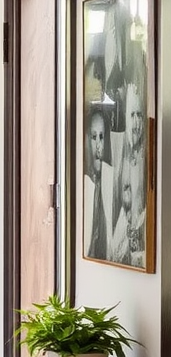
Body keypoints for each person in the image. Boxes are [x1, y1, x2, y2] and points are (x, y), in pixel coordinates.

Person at [113, 81, 146, 266]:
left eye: (139, 115)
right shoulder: (122, 158)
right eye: (132, 115)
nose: (136, 122)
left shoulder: (146, 158)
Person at [83, 108, 114, 261]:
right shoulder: (83, 184)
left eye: (102, 137)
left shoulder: (110, 180)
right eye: (94, 137)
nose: (98, 146)